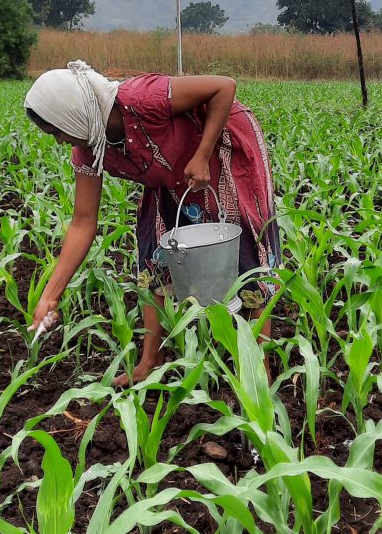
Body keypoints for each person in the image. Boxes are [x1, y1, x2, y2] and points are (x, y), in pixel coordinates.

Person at [24, 61, 281, 387]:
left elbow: (224, 86)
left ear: (73, 111)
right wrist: (51, 294)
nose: (59, 140)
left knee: (246, 255)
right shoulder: (88, 149)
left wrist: (202, 154)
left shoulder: (142, 98)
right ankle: (150, 360)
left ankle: (260, 369)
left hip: (220, 146)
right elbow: (83, 221)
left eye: (57, 131)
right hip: (166, 175)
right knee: (152, 257)